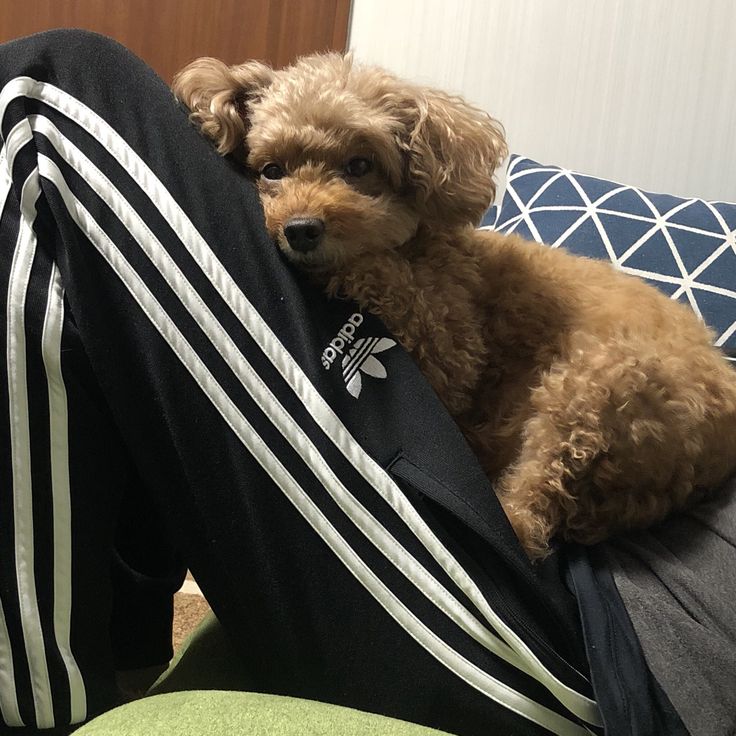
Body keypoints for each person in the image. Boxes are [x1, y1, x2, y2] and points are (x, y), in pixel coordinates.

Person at [0, 29, 724, 736]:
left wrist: (523, 511)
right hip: (547, 548)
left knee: (48, 88)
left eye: (357, 168)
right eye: (274, 171)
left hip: (570, 624)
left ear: (413, 166)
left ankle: (30, 700)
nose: (306, 207)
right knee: (60, 136)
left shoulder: (442, 273)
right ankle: (119, 643)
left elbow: (446, 380)